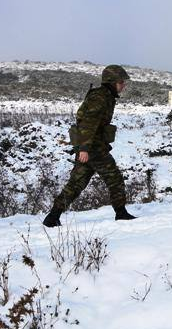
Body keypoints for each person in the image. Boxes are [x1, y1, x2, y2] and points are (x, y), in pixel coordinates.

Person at [43, 64, 136, 226]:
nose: (123, 85)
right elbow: (87, 123)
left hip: (90, 146)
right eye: (121, 82)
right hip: (93, 148)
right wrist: (85, 149)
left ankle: (52, 217)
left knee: (77, 182)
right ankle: (121, 213)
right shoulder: (100, 97)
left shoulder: (105, 96)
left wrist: (83, 148)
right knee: (114, 178)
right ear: (112, 82)